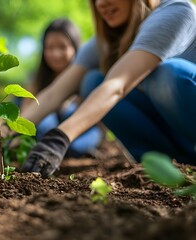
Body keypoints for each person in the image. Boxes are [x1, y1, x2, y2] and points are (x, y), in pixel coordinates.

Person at [19, 0, 196, 178]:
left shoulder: (176, 11)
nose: (101, 3)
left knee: (168, 73)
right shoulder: (106, 41)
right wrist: (7, 134)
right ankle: (169, 164)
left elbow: (118, 85)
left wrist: (60, 137)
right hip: (180, 138)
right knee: (92, 81)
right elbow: (54, 93)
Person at [19, 18, 102, 157]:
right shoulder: (38, 78)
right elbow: (26, 112)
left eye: (62, 47)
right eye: (49, 48)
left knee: (75, 146)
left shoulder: (86, 76)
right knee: (45, 125)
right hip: (48, 125)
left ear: (76, 48)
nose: (55, 54)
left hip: (80, 128)